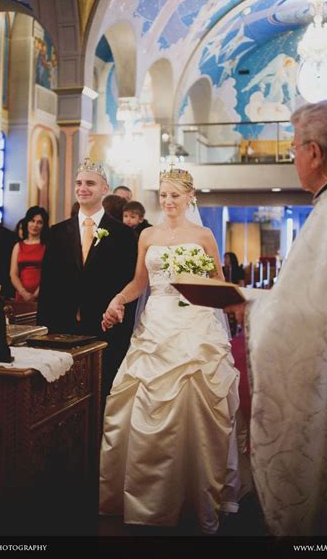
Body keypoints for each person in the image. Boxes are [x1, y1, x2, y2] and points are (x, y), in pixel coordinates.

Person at [226, 99, 327, 536]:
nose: (293, 158)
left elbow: (306, 324)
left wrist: (250, 307)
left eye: (294, 148)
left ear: (313, 152)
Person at [99, 167, 242, 534]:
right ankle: (145, 497)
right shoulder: (147, 235)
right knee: (137, 400)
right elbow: (138, 282)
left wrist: (221, 295)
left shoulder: (204, 235)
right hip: (156, 323)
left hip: (196, 324)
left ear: (190, 197)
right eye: (163, 195)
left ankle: (196, 492)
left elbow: (217, 282)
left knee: (196, 403)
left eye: (174, 195)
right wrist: (118, 300)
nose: (167, 201)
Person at [38, 159, 137, 397]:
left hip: (105, 328)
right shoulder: (57, 232)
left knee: (101, 393)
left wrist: (121, 326)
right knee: (63, 393)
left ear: (104, 189)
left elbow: (129, 283)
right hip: (63, 326)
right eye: (79, 183)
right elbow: (48, 285)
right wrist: (43, 329)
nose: (82, 188)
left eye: (90, 183)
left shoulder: (123, 234)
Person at [10, 206, 48, 302]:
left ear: (44, 225)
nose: (35, 225)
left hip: (43, 293)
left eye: (39, 222)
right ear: (27, 222)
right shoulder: (18, 246)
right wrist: (23, 292)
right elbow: (13, 274)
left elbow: (50, 273)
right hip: (21, 294)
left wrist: (36, 294)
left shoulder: (47, 246)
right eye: (32, 221)